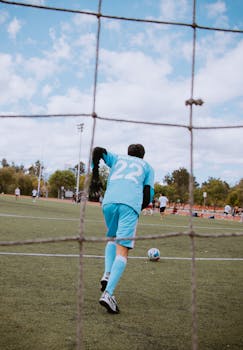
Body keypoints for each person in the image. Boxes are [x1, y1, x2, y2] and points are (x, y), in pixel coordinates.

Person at [90, 144, 154, 314]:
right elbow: (148, 195)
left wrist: (95, 173)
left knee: (111, 238)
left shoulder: (117, 158)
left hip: (109, 202)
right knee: (123, 250)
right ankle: (108, 294)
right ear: (142, 156)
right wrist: (136, 209)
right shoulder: (147, 167)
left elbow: (97, 151)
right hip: (129, 205)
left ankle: (107, 274)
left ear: (129, 153)